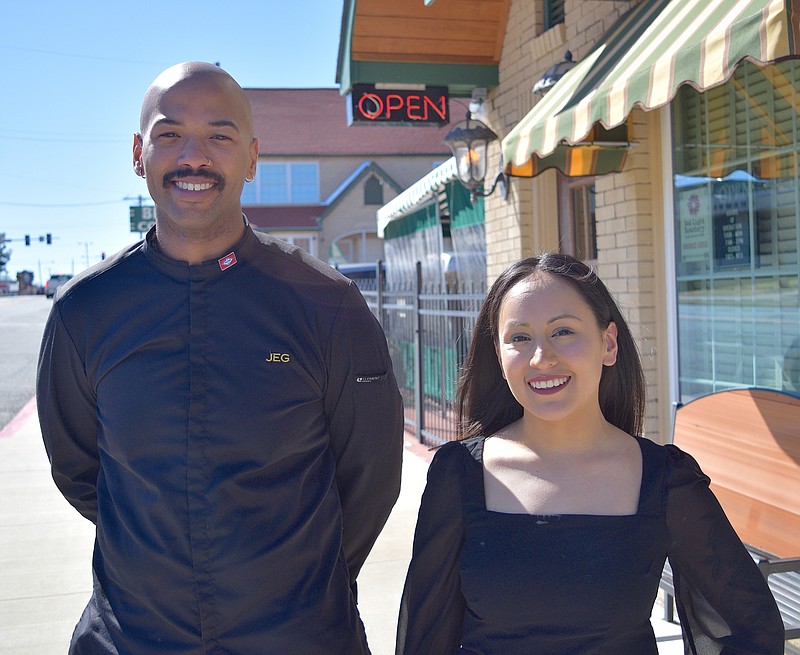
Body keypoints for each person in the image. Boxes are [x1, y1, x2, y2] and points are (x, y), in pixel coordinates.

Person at [37, 61, 404, 654]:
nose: (193, 156)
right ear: (139, 153)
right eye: (169, 133)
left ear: (252, 158)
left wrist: (291, 586)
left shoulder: (328, 306)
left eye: (220, 135)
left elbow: (371, 474)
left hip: (301, 637)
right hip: (132, 638)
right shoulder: (85, 311)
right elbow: (80, 470)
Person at [396, 253, 783, 654]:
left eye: (563, 331)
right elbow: (425, 638)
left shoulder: (665, 479)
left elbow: (750, 628)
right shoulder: (458, 476)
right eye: (520, 337)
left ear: (608, 343)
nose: (541, 357)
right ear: (499, 354)